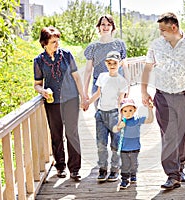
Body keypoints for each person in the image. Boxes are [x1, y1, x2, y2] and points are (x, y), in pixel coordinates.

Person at [141, 12, 185, 190]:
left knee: (184, 134)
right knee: (168, 135)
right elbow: (148, 68)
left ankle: (180, 167)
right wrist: (144, 92)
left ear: (174, 28)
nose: (160, 33)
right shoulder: (157, 45)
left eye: (163, 30)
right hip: (163, 96)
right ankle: (172, 174)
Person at [33, 26, 86, 182]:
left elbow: (77, 77)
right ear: (44, 43)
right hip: (52, 102)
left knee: (72, 134)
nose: (57, 44)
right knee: (56, 134)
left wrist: (83, 96)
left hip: (70, 99)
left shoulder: (67, 56)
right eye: (53, 41)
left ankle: (75, 169)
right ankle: (60, 166)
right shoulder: (38, 61)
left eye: (58, 41)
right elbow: (37, 84)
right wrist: (42, 91)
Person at [85, 51, 128, 182]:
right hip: (101, 114)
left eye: (114, 63)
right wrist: (88, 103)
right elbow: (98, 93)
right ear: (106, 64)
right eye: (109, 63)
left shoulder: (122, 81)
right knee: (101, 143)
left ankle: (115, 169)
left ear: (119, 64)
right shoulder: (102, 76)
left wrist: (122, 118)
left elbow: (121, 101)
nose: (112, 65)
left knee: (115, 144)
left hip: (114, 114)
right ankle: (102, 169)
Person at [83, 14, 130, 109]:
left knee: (117, 119)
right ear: (98, 27)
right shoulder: (93, 47)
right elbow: (88, 71)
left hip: (117, 86)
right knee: (101, 118)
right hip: (98, 88)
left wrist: (128, 87)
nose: (106, 27)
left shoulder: (119, 44)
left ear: (112, 27)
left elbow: (125, 67)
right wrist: (85, 92)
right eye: (103, 24)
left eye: (109, 24)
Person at [113, 98, 154, 189]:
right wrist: (120, 123)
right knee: (125, 164)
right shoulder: (122, 121)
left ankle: (133, 174)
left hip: (135, 147)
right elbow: (115, 130)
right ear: (122, 112)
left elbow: (150, 120)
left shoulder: (137, 120)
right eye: (125, 111)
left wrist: (150, 110)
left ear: (135, 110)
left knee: (134, 163)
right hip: (124, 148)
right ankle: (124, 179)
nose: (128, 113)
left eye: (130, 110)